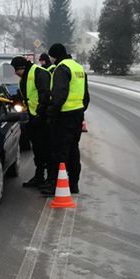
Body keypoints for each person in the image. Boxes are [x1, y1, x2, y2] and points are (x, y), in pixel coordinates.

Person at [40, 43, 90, 196]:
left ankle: (55, 185)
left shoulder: (61, 68)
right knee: (73, 150)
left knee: (59, 152)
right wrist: (80, 110)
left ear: (55, 55)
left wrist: (51, 114)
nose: (52, 60)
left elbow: (59, 95)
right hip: (77, 115)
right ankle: (73, 184)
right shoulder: (78, 67)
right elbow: (86, 96)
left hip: (63, 117)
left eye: (52, 57)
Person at [10, 56, 52, 188]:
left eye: (15, 70)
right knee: (38, 149)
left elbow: (44, 94)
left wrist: (40, 113)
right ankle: (39, 176)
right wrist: (11, 99)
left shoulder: (39, 73)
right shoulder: (25, 77)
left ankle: (50, 178)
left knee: (45, 149)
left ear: (20, 68)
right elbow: (25, 96)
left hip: (43, 118)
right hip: (33, 117)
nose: (14, 74)